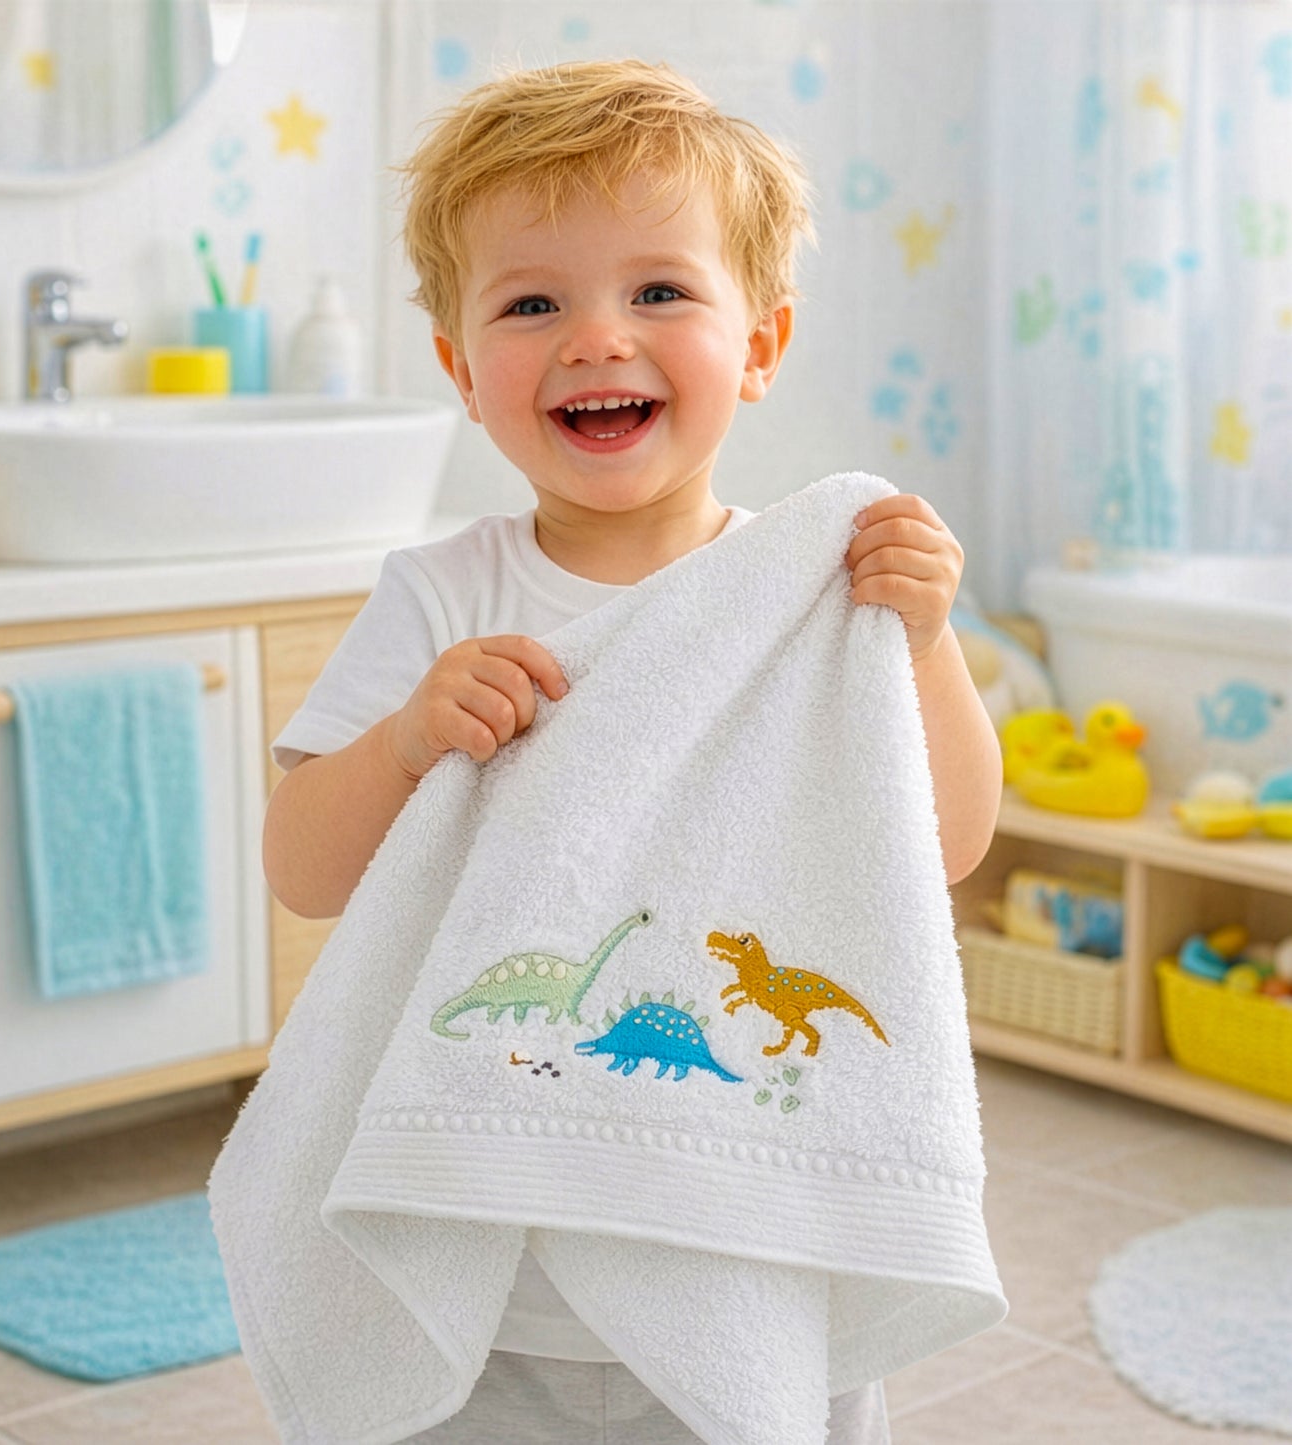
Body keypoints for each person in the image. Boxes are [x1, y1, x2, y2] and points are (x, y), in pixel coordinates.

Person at [262, 58, 1002, 1445]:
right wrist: (412, 734)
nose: (596, 337)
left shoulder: (809, 595)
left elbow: (941, 848)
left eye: (658, 291)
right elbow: (300, 867)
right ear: (458, 367)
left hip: (739, 1202)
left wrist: (920, 639)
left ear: (762, 343)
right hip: (493, 1212)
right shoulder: (442, 594)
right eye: (531, 301)